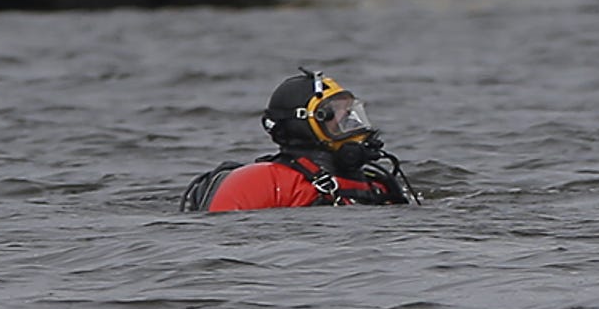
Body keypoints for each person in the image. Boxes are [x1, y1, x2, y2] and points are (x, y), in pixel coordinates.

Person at [179, 69, 420, 211]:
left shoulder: (378, 182)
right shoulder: (261, 180)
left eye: (351, 114)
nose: (352, 127)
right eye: (335, 116)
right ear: (303, 125)